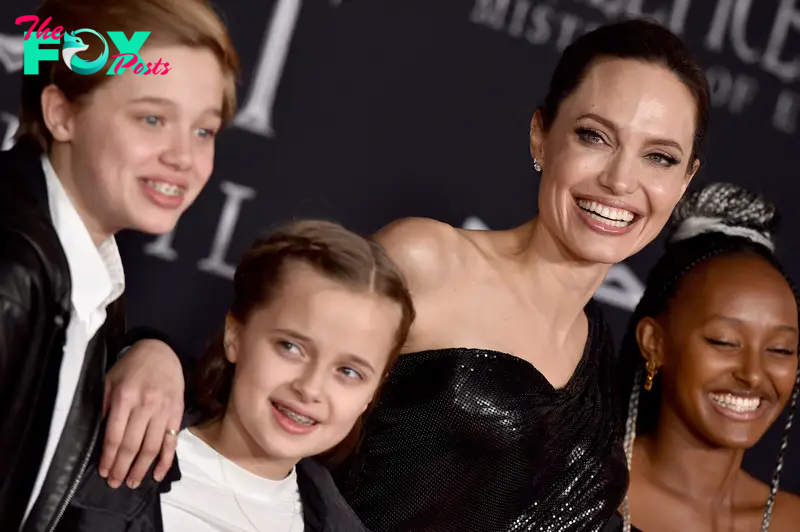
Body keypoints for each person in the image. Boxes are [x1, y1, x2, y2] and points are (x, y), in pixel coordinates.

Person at [337, 18, 710, 532]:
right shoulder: (427, 261)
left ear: (685, 179)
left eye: (659, 157)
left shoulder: (601, 360)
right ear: (541, 136)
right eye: (595, 137)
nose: (621, 180)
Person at [0, 0, 240, 530]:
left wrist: (146, 348)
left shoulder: (72, 262)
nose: (183, 156)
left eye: (204, 131)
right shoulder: (13, 269)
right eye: (152, 118)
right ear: (61, 113)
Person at [51, 220, 415, 532]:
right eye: (291, 347)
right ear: (235, 336)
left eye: (348, 372)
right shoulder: (107, 441)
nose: (310, 387)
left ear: (373, 392)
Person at [606, 183, 800, 532]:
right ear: (654, 343)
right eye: (724, 342)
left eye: (780, 350)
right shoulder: (578, 493)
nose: (753, 375)